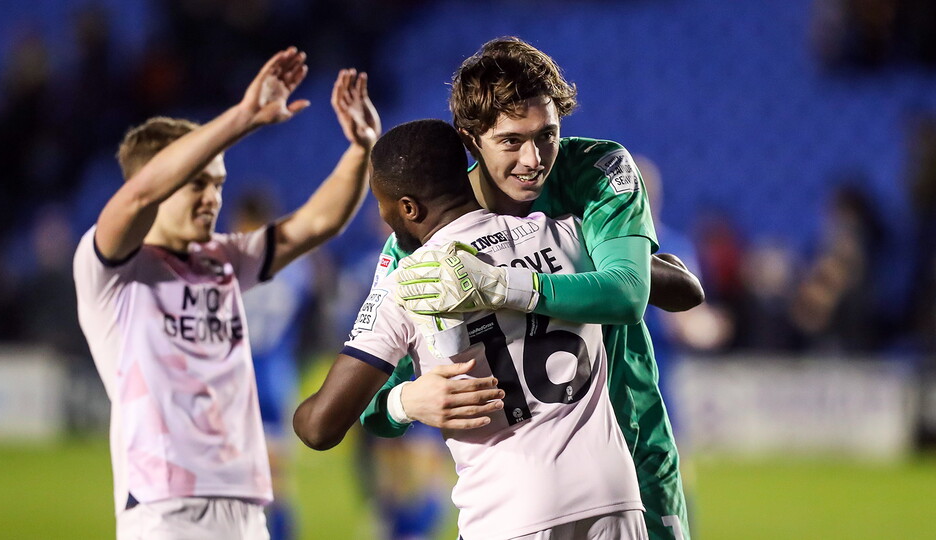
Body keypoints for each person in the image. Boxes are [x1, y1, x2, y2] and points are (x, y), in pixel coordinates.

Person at [360, 38, 698, 540]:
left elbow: (629, 295)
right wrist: (404, 402)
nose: (534, 158)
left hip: (633, 451)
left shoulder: (595, 173)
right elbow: (365, 401)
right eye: (512, 141)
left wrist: (505, 285)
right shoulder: (419, 244)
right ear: (470, 139)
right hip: (514, 501)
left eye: (548, 136)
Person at [73, 47, 380, 539]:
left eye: (218, 183)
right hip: (166, 510)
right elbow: (137, 196)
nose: (214, 197)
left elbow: (317, 223)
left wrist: (362, 149)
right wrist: (243, 117)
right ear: (164, 180)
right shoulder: (109, 268)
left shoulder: (223, 258)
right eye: (198, 183)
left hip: (246, 507)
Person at [293, 119, 648, 540]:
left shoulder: (408, 285)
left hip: (508, 511)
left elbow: (318, 427)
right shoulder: (563, 233)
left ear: (408, 208)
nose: (383, 216)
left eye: (381, 203)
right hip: (615, 499)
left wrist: (403, 402)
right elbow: (670, 285)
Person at [233, 192, 318, 539]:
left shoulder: (231, 264)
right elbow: (309, 319)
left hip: (237, 380)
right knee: (276, 480)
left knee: (237, 479)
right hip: (277, 376)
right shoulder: (295, 267)